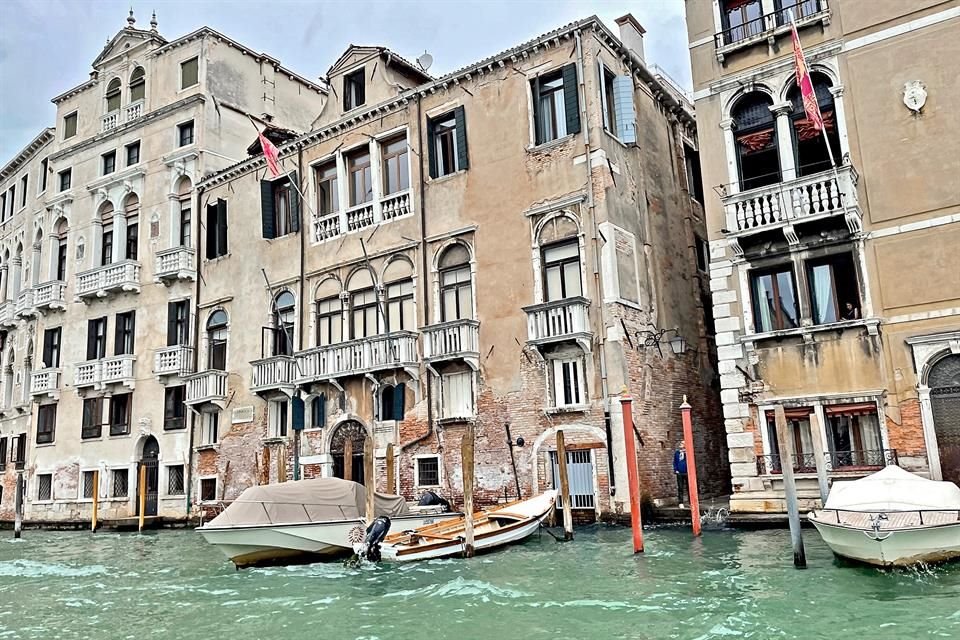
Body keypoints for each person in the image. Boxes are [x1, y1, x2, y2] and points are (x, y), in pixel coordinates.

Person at [673, 441, 688, 508]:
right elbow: (675, 462)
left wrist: (685, 453)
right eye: (680, 443)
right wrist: (676, 470)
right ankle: (681, 502)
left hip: (687, 472)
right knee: (680, 487)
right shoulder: (677, 453)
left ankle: (691, 501)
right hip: (679, 472)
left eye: (682, 444)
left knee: (689, 487)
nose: (680, 444)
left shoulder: (687, 453)